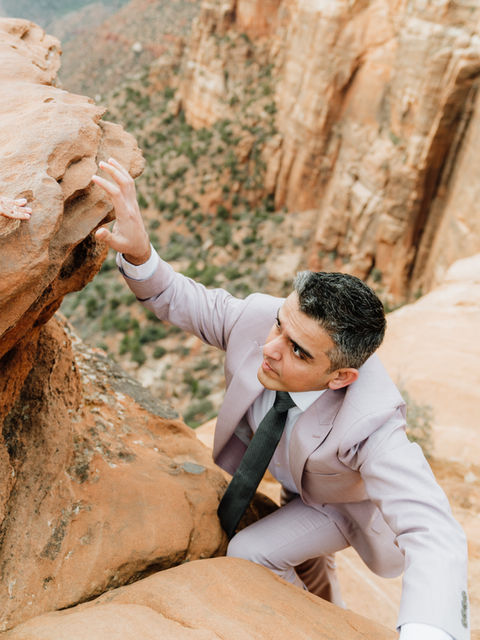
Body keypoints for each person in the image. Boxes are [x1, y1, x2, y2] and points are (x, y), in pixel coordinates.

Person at [92, 158, 470, 640]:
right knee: (310, 567)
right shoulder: (260, 321)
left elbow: (434, 530)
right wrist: (141, 251)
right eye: (280, 325)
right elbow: (180, 298)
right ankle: (323, 594)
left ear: (341, 377)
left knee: (251, 553)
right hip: (295, 481)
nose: (269, 349)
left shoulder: (371, 422)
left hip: (337, 505)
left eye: (297, 350)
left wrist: (430, 634)